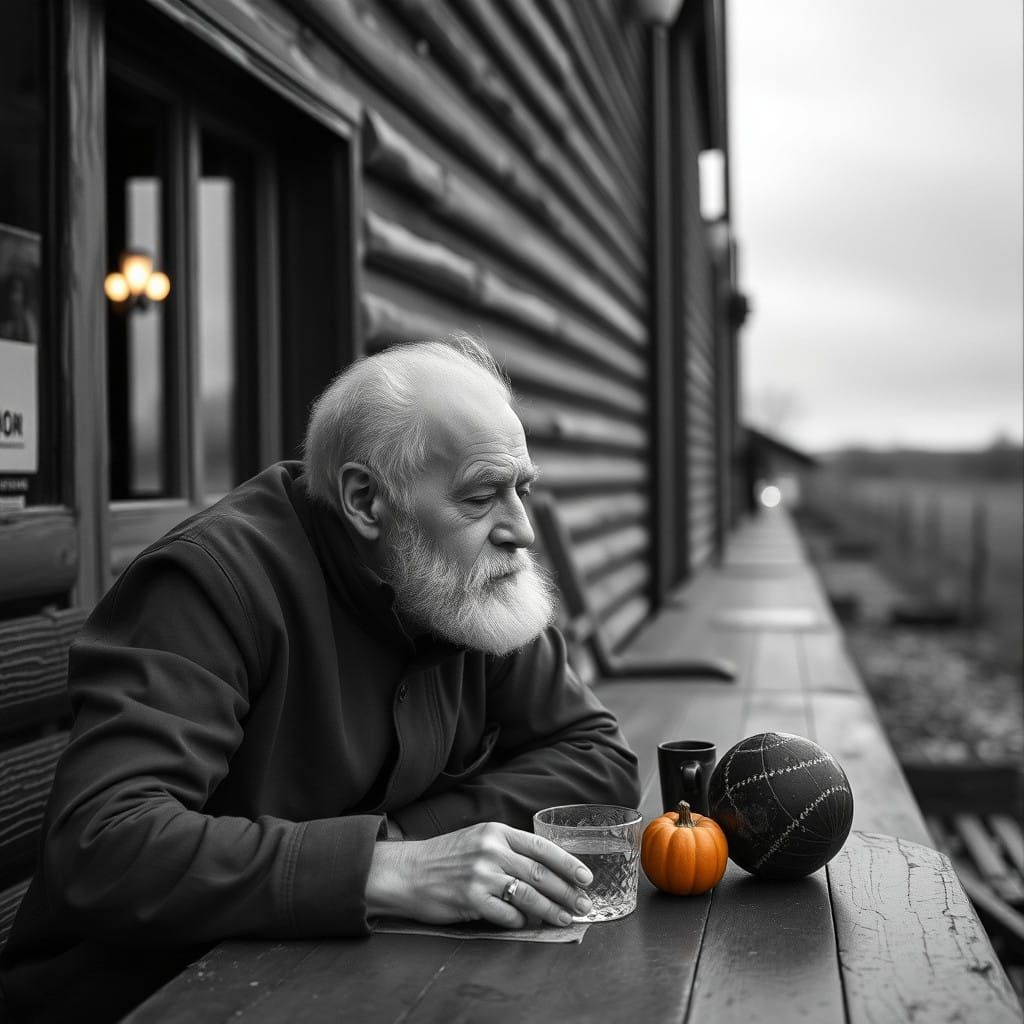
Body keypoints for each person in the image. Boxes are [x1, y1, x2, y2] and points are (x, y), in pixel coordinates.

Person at [0, 334, 640, 1022]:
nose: (522, 529)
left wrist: (408, 841)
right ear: (366, 500)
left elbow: (597, 759)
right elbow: (103, 843)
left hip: (342, 979)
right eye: (482, 496)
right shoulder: (212, 582)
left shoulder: (460, 580)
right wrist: (382, 870)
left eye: (523, 489)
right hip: (149, 997)